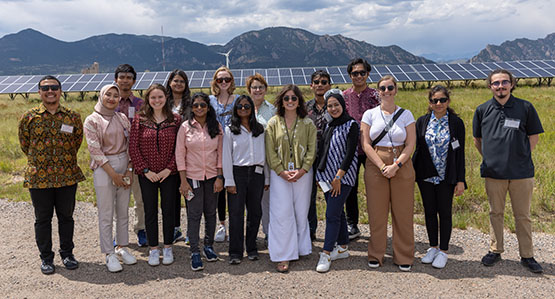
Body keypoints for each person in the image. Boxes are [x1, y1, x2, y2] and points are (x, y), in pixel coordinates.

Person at [473, 69, 544, 273]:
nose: (501, 86)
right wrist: (490, 158)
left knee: (523, 215)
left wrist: (520, 156)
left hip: (522, 173)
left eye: (505, 82)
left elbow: (533, 136)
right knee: (496, 213)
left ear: (512, 84)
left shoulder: (525, 107)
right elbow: (478, 140)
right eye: (496, 83)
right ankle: (495, 250)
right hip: (494, 173)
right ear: (490, 86)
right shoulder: (482, 110)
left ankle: (527, 255)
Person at [18, 75, 85, 274]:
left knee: (66, 217)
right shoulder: (29, 117)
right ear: (39, 92)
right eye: (45, 88)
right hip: (39, 178)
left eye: (54, 87)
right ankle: (46, 258)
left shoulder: (72, 116)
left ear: (60, 91)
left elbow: (77, 142)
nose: (50, 91)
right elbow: (25, 144)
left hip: (67, 176)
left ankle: (67, 254)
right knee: (42, 219)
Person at [361, 75, 416, 272]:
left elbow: (410, 143)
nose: (386, 91)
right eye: (382, 88)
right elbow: (366, 144)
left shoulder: (406, 114)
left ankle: (404, 256)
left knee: (403, 213)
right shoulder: (369, 114)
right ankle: (376, 254)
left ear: (396, 89)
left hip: (402, 162)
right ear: (378, 91)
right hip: (376, 164)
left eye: (390, 87)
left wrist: (396, 166)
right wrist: (381, 165)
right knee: (377, 212)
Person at [84, 84, 137, 272]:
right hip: (103, 167)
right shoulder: (92, 120)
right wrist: (113, 175)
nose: (112, 98)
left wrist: (129, 168)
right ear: (101, 96)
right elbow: (95, 150)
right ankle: (109, 252)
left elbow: (131, 144)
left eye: (116, 95)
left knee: (123, 210)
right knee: (106, 212)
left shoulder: (122, 118)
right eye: (108, 94)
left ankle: (122, 247)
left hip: (125, 165)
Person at [412, 85, 466, 269]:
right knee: (429, 212)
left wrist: (460, 180)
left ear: (448, 101)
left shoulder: (456, 123)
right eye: (434, 100)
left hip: (446, 176)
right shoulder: (422, 121)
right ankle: (433, 247)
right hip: (426, 176)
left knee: (444, 213)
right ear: (430, 103)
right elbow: (417, 150)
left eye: (442, 100)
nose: (438, 103)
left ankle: (443, 251)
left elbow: (460, 153)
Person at [265, 84, 317, 272]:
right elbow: (270, 151)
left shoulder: (308, 123)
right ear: (281, 101)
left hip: (303, 174)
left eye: (294, 98)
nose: (290, 101)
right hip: (280, 175)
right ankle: (283, 254)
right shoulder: (273, 123)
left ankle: (301, 248)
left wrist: (303, 169)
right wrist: (280, 171)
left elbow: (312, 149)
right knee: (281, 213)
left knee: (301, 212)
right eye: (286, 98)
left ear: (299, 101)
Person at [129, 84, 181, 267]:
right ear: (148, 100)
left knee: (169, 210)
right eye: (153, 98)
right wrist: (145, 170)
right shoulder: (139, 120)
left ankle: (167, 246)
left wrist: (169, 169)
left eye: (160, 97)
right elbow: (133, 148)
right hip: (147, 175)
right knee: (149, 211)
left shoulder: (175, 120)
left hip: (169, 173)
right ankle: (153, 248)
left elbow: (180, 148)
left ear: (166, 98)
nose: (157, 100)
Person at [175, 92, 223, 271]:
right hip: (192, 178)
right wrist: (183, 181)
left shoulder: (216, 127)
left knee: (211, 213)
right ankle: (195, 251)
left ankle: (208, 247)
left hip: (212, 178)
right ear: (191, 108)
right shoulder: (185, 127)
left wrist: (219, 177)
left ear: (208, 107)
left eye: (203, 105)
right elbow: (180, 154)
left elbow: (220, 153)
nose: (199, 108)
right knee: (194, 214)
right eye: (196, 105)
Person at [315, 89, 359, 273]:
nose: (333, 108)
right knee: (338, 212)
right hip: (326, 177)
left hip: (343, 177)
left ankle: (326, 253)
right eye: (330, 106)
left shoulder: (351, 125)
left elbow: (349, 154)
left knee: (331, 215)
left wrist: (338, 177)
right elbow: (323, 151)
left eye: (336, 105)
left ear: (343, 105)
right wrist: (320, 176)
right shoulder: (328, 125)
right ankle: (342, 247)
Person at [223, 95, 268, 264]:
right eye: (240, 106)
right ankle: (235, 252)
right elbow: (226, 157)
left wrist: (267, 178)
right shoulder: (230, 130)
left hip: (257, 173)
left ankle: (252, 247)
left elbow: (265, 155)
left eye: (247, 106)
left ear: (252, 109)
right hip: (238, 173)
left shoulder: (260, 129)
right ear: (235, 109)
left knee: (255, 212)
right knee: (235, 213)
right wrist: (229, 180)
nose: (243, 109)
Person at [343, 58, 380, 239]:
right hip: (350, 150)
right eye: (355, 73)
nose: (359, 76)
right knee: (350, 187)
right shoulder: (343, 97)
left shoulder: (376, 96)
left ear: (368, 74)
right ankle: (352, 225)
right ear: (350, 75)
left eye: (362, 73)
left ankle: (378, 224)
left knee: (375, 187)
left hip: (372, 149)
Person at [114, 64, 147, 247]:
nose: (125, 80)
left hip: (137, 159)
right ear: (116, 79)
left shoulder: (141, 104)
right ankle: (116, 234)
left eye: (128, 77)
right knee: (116, 200)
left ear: (134, 81)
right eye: (122, 77)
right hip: (115, 158)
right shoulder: (110, 101)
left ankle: (141, 229)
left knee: (140, 198)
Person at [209, 66, 239, 243]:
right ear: (215, 82)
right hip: (213, 149)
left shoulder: (238, 100)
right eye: (220, 80)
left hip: (234, 150)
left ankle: (236, 224)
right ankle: (222, 224)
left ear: (232, 81)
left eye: (227, 79)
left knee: (234, 188)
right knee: (218, 189)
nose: (224, 82)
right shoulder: (210, 101)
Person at [247, 73, 275, 242]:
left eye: (260, 87)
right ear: (249, 90)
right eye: (254, 87)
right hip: (247, 162)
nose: (257, 90)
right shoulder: (243, 108)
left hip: (267, 160)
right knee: (249, 201)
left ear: (265, 89)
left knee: (266, 199)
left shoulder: (273, 110)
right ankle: (250, 236)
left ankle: (268, 233)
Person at [165, 69, 192, 244]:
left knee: (189, 192)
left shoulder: (191, 104)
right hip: (167, 154)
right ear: (169, 82)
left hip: (188, 153)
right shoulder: (163, 102)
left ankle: (192, 229)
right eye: (175, 81)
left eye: (181, 81)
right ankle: (175, 229)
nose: (178, 84)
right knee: (171, 194)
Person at [306, 70, 332, 241]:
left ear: (329, 85)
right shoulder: (305, 108)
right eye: (317, 82)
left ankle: (334, 231)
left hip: (330, 158)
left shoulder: (335, 105)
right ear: (311, 85)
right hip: (309, 157)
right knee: (309, 196)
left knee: (331, 195)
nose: (320, 85)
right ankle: (310, 229)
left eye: (324, 82)